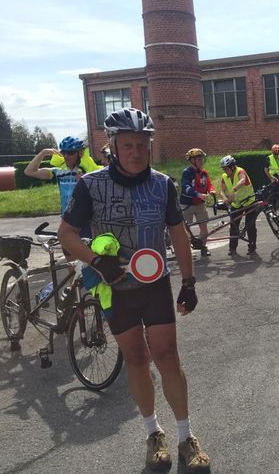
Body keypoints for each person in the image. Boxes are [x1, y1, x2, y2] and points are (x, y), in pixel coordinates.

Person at [57, 108, 210, 473]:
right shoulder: (90, 185)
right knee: (137, 360)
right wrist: (96, 262)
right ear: (112, 146)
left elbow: (176, 233)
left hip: (154, 284)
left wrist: (189, 282)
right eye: (127, 145)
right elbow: (67, 235)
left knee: (167, 357)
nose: (136, 152)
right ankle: (153, 433)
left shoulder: (162, 184)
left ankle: (186, 436)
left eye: (142, 145)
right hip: (115, 289)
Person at [25, 136, 96, 239]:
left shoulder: (89, 171)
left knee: (86, 253)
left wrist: (85, 182)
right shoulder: (59, 171)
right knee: (68, 254)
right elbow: (29, 171)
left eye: (70, 153)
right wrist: (43, 153)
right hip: (66, 219)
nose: (66, 156)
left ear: (80, 153)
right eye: (64, 153)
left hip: (86, 220)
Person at [219, 155, 258, 256]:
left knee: (250, 225)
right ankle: (232, 248)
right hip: (236, 204)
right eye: (223, 169)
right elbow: (222, 190)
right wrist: (224, 199)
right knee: (233, 226)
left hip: (249, 202)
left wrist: (235, 189)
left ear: (232, 167)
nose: (224, 170)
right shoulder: (224, 176)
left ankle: (252, 246)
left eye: (226, 168)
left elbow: (243, 180)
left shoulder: (240, 171)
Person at [180, 148, 216, 258]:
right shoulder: (187, 173)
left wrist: (212, 190)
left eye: (202, 159)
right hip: (187, 205)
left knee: (204, 228)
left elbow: (209, 184)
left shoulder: (204, 173)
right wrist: (198, 194)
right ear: (192, 161)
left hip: (199, 204)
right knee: (185, 230)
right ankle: (186, 252)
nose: (201, 161)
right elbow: (186, 187)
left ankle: (203, 247)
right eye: (199, 159)